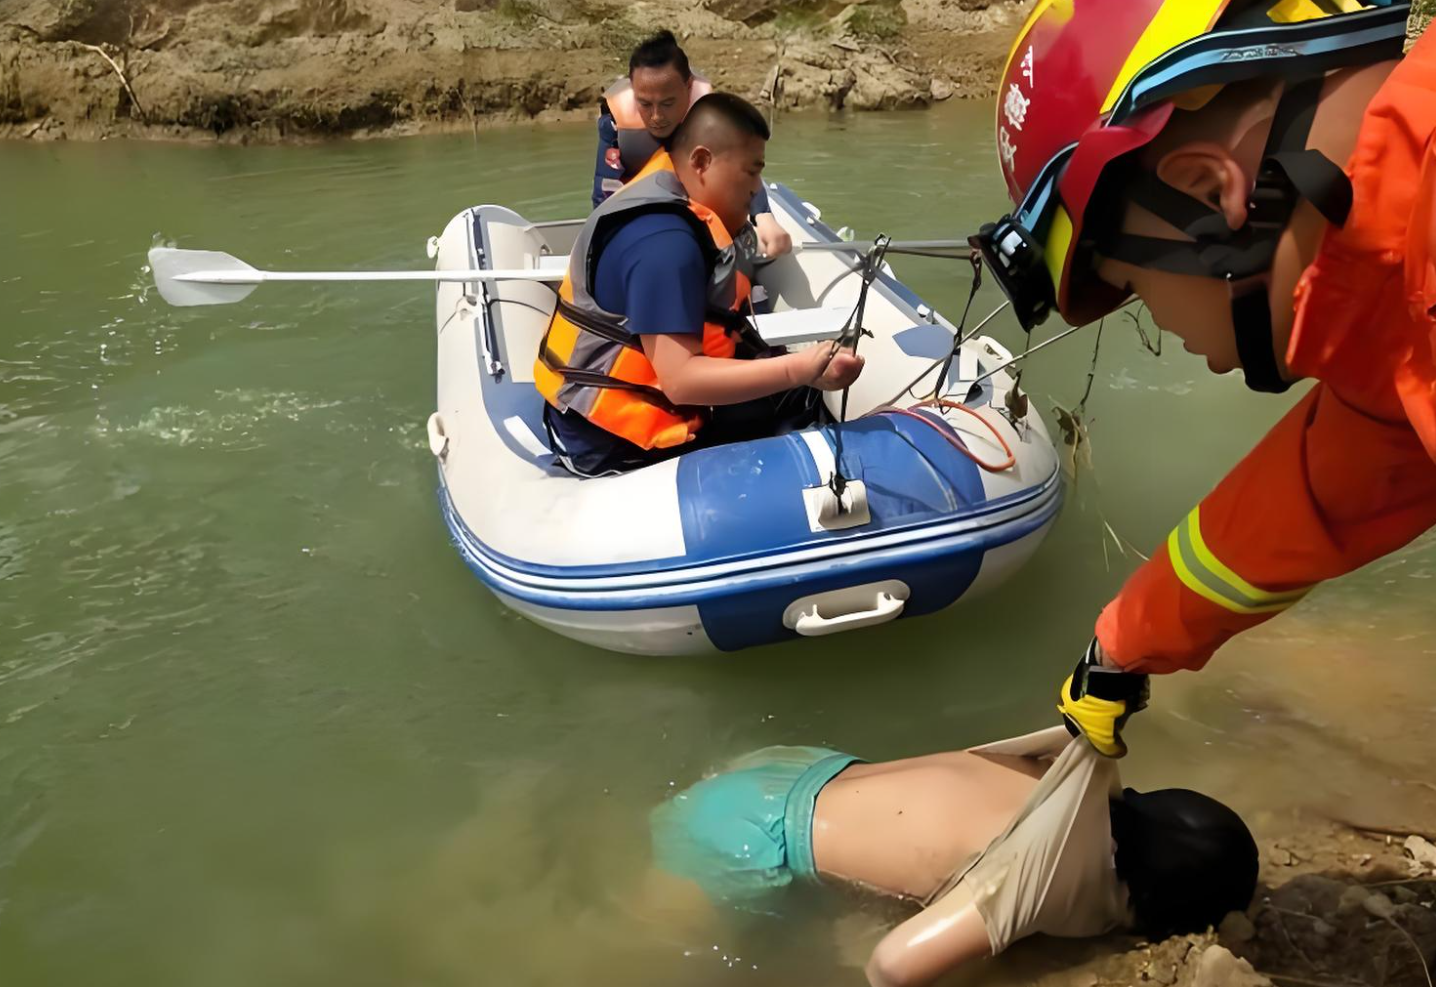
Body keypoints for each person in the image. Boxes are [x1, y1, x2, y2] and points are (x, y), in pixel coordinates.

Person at [966, 0, 1436, 757]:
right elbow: (1313, 498)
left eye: (1135, 290)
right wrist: (1121, 646)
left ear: (1213, 190)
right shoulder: (1392, 324)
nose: (1167, 333)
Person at [650, 726, 1259, 987]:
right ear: (1136, 905)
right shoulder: (1043, 873)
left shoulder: (1073, 777)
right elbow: (891, 967)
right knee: (651, 946)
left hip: (801, 769)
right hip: (750, 836)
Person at [535, 92, 864, 477]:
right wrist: (801, 369)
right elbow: (681, 381)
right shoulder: (666, 244)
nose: (758, 190)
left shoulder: (668, 195)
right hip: (612, 440)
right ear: (701, 161)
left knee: (791, 393)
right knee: (801, 398)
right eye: (751, 172)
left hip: (614, 409)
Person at [593, 30, 793, 260]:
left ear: (688, 87)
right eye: (645, 103)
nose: (656, 116)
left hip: (695, 212)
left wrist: (763, 216)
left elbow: (742, 170)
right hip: (644, 218)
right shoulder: (614, 123)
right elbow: (603, 196)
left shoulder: (709, 116)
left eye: (668, 103)